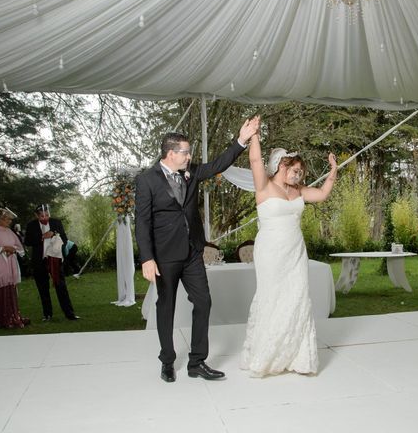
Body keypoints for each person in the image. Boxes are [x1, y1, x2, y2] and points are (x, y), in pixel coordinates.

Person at [135, 117, 260, 383]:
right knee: (165, 307)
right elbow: (142, 222)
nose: (190, 156)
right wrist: (147, 257)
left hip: (192, 253)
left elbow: (218, 164)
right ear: (171, 154)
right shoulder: (147, 181)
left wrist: (241, 139)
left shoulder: (191, 174)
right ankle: (167, 361)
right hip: (164, 256)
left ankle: (197, 362)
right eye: (185, 152)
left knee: (203, 301)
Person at [240, 123, 338, 377]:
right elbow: (254, 161)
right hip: (270, 252)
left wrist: (333, 172)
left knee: (296, 298)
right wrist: (255, 136)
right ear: (281, 166)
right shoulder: (264, 186)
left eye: (301, 172)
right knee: (272, 297)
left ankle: (298, 356)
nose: (298, 175)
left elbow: (324, 194)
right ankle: (268, 355)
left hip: (295, 252)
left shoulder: (300, 191)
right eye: (295, 170)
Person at [24, 205, 79, 321]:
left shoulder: (56, 223)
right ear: (37, 215)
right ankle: (47, 314)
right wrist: (42, 236)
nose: (45, 218)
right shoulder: (31, 225)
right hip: (39, 261)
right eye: (42, 216)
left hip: (55, 259)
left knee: (61, 287)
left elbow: (64, 239)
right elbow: (27, 242)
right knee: (43, 289)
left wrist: (53, 234)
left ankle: (69, 313)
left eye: (47, 215)